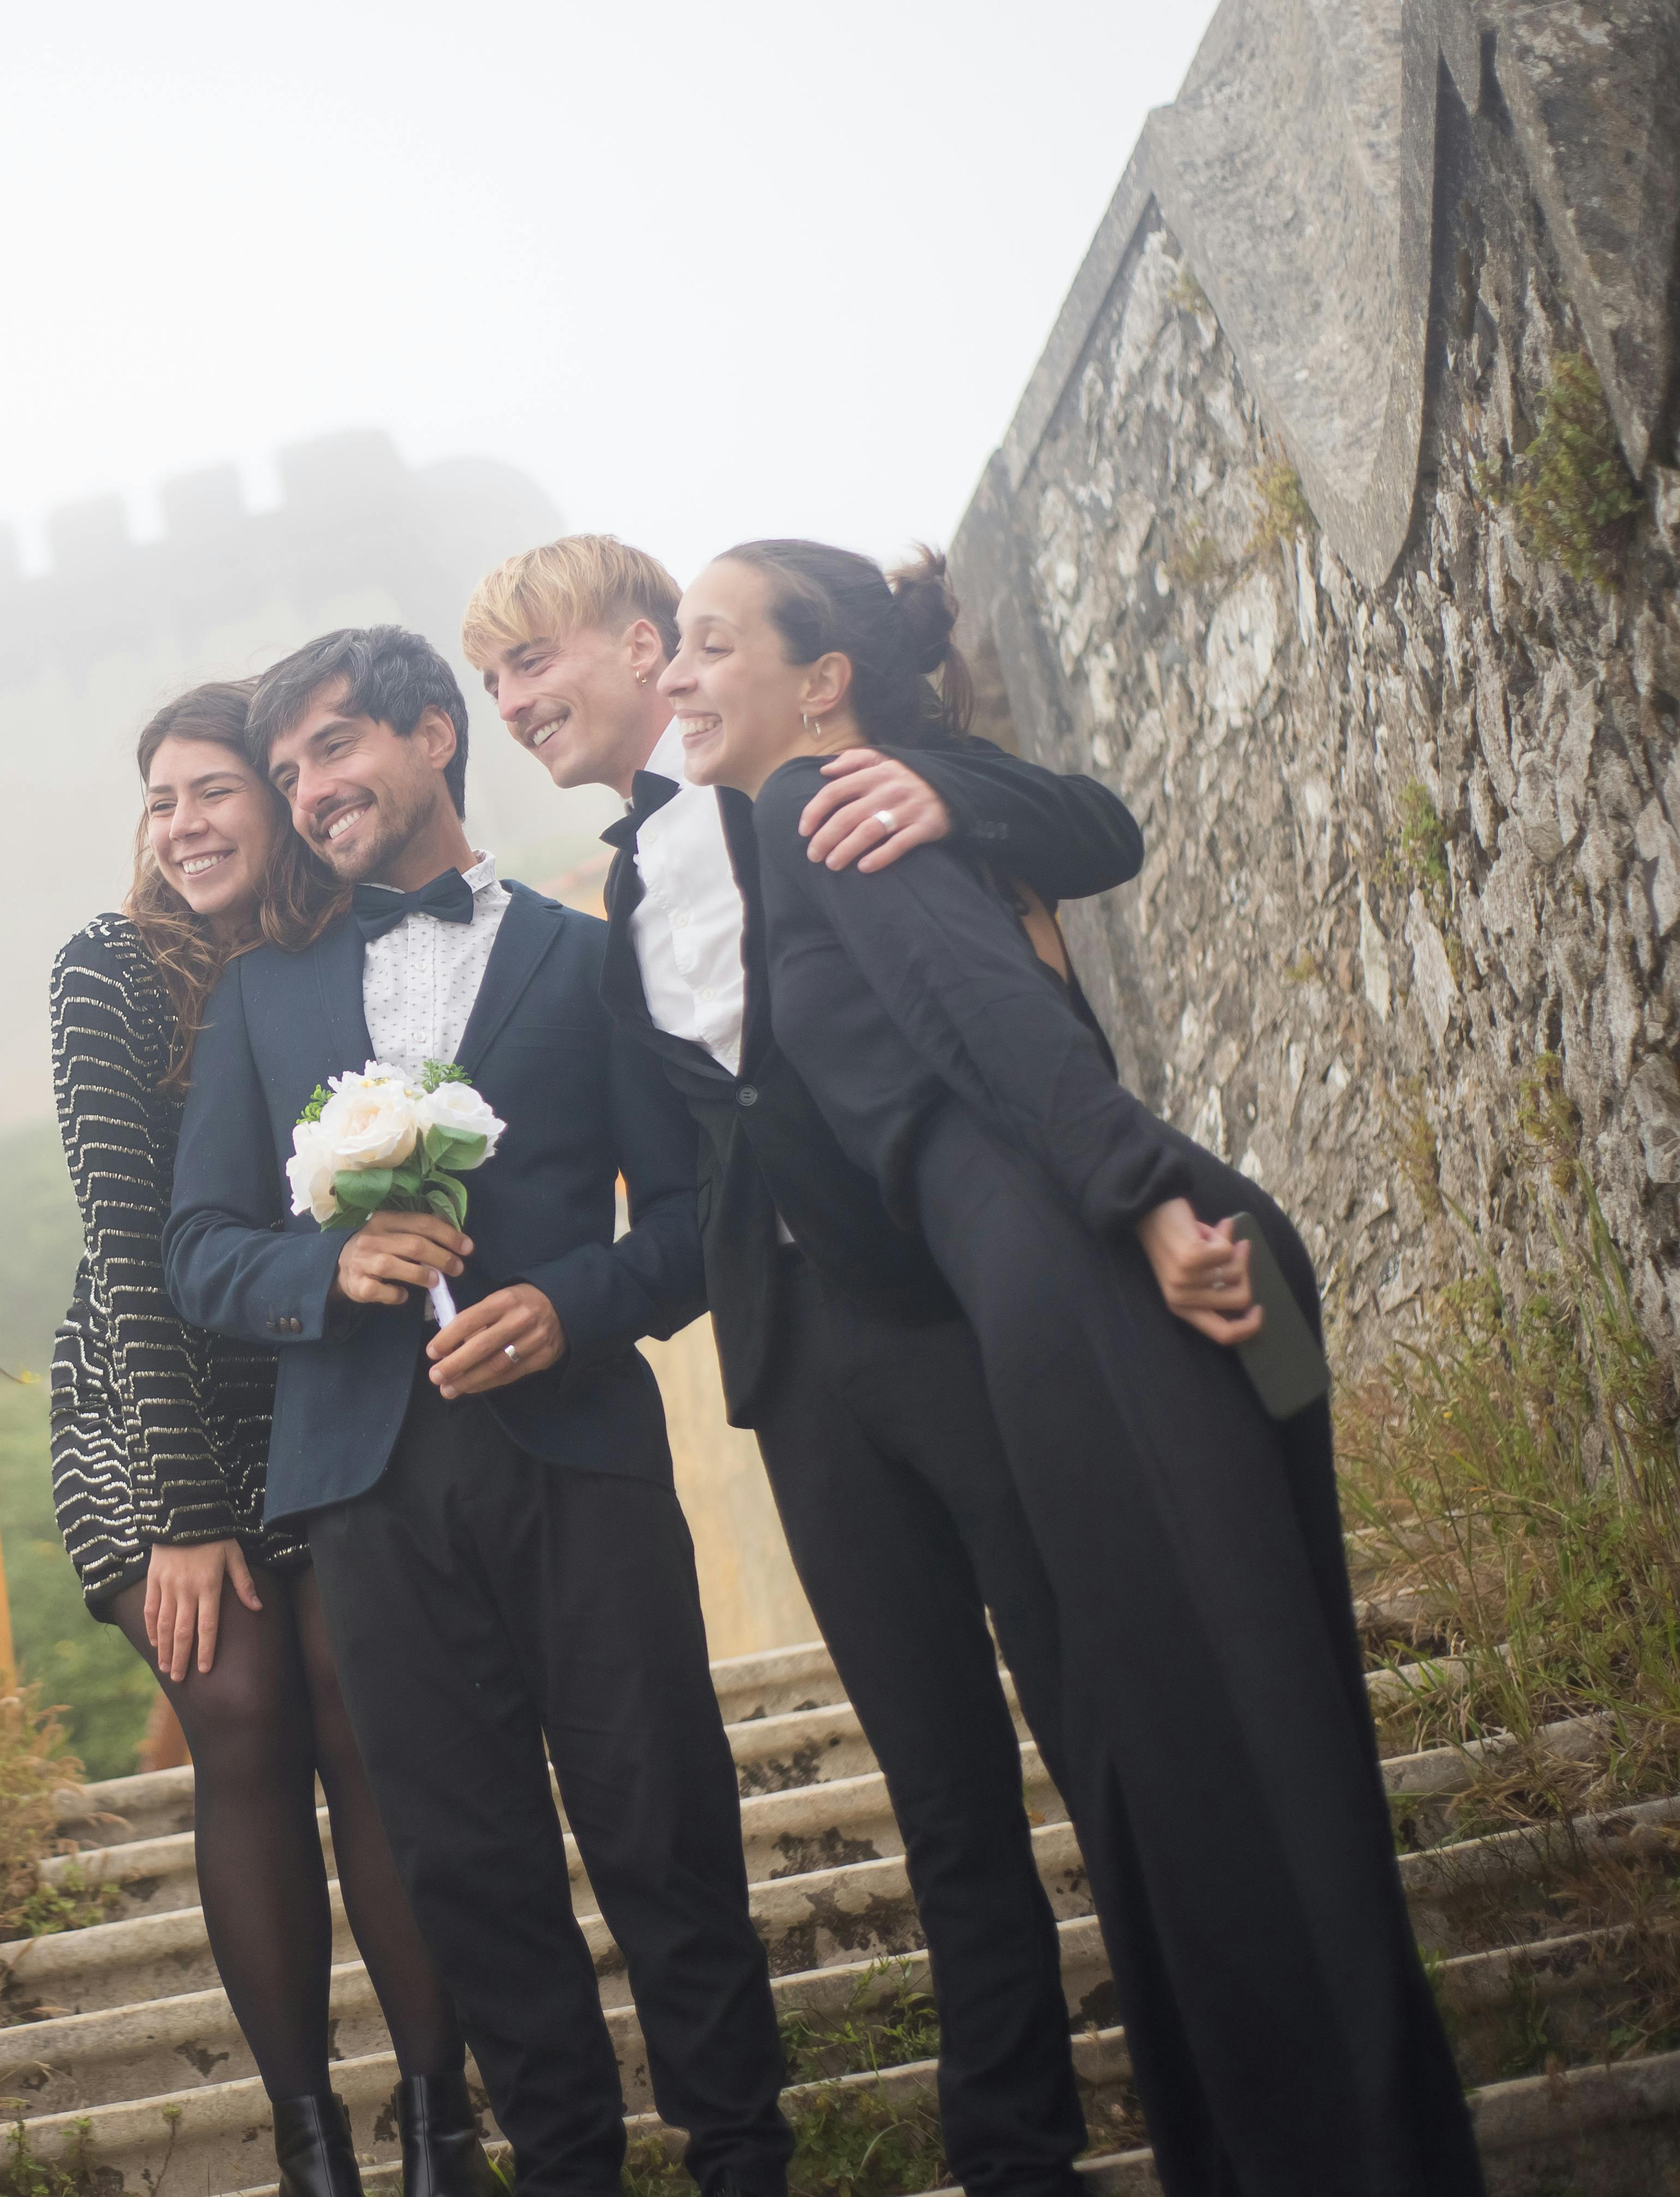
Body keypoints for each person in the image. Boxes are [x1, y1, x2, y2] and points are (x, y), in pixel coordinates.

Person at [672, 542, 1485, 2196]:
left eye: (706, 642)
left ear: (822, 678)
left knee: (1235, 1759)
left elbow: (995, 1026)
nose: (678, 673)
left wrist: (1140, 1198)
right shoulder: (825, 818)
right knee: (1200, 1760)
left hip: (1111, 1260)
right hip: (1060, 1281)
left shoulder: (827, 798)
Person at [463, 535, 1143, 2197]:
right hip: (799, 1374)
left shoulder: (830, 762)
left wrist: (941, 799)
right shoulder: (619, 897)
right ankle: (1012, 2151)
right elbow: (697, 1160)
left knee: (1101, 1717)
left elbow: (1092, 825)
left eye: (537, 664)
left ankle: (1230, 2073)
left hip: (963, 1323)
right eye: (493, 687)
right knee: (936, 1781)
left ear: (648, 647)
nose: (517, 704)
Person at [164, 630, 791, 2197]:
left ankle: (743, 2161)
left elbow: (691, 1218)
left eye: (332, 749)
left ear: (435, 734)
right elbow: (197, 1253)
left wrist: (570, 1305)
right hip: (363, 1496)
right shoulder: (260, 1002)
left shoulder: (593, 960)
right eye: (288, 767)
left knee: (665, 1826)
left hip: (577, 1456)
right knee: (466, 1865)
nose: (307, 792)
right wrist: (329, 1263)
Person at [46, 681, 480, 2197]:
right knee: (239, 1717)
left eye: (216, 791)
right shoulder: (106, 970)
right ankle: (310, 2147)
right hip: (150, 1402)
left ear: (286, 803)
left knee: (363, 1716)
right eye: (161, 800)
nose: (183, 826)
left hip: (317, 1384)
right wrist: (181, 1508)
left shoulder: (345, 950)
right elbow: (122, 1250)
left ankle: (441, 2124)